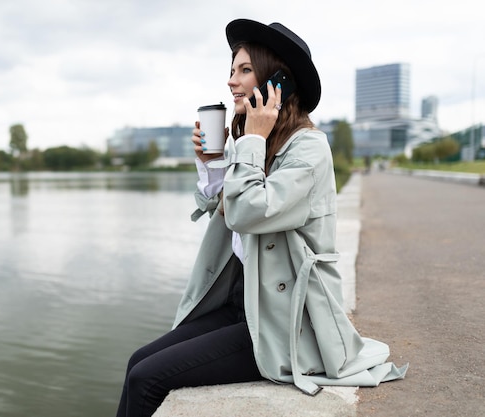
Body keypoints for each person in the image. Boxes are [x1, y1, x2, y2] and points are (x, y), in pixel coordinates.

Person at [115, 19, 407, 417]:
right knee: (137, 363)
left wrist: (249, 141)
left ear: (277, 83)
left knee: (146, 379)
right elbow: (224, 209)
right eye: (231, 71)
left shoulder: (309, 149)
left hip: (282, 319)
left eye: (244, 71)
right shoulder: (256, 146)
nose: (232, 82)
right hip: (243, 303)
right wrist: (214, 165)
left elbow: (249, 211)